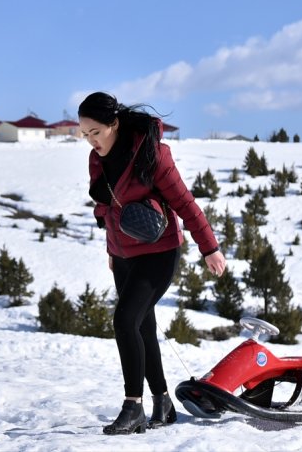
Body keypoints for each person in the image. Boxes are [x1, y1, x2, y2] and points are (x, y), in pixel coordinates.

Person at [78, 92, 226, 435]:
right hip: (124, 255)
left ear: (114, 124)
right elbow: (106, 210)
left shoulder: (152, 154)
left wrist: (209, 248)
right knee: (141, 327)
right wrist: (112, 253)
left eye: (96, 132)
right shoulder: (96, 161)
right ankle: (162, 401)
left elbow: (185, 203)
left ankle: (133, 407)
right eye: (85, 134)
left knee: (124, 320)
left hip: (159, 253)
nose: (91, 141)